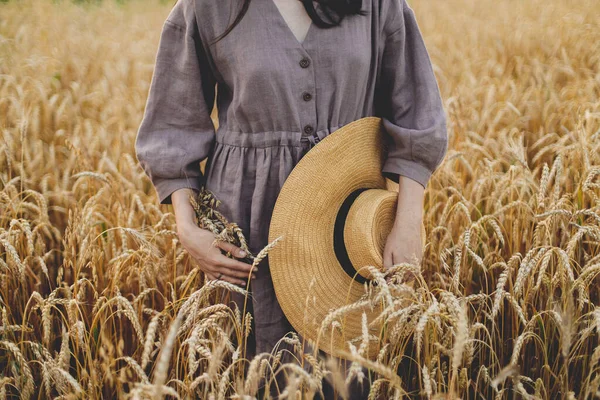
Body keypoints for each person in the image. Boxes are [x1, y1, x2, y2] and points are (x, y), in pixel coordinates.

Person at [135, 0, 448, 397]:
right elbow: (172, 124)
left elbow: (418, 115)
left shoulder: (378, 4)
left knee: (342, 370)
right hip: (246, 227)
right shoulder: (207, 6)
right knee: (252, 368)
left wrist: (408, 222)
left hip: (346, 225)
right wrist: (186, 227)